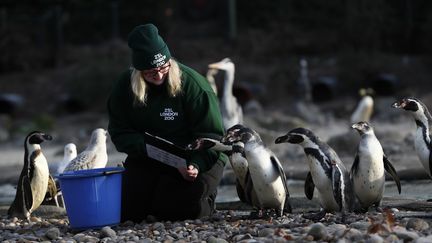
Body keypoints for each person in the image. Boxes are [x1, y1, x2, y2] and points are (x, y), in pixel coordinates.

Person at [107, 23, 228, 222]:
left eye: (164, 67)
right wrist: (147, 148)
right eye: (151, 72)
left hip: (199, 158)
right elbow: (120, 132)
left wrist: (195, 164)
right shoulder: (124, 87)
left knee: (180, 209)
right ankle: (157, 195)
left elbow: (213, 137)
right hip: (151, 156)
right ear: (138, 71)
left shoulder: (195, 86)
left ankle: (206, 198)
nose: (159, 75)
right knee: (126, 210)